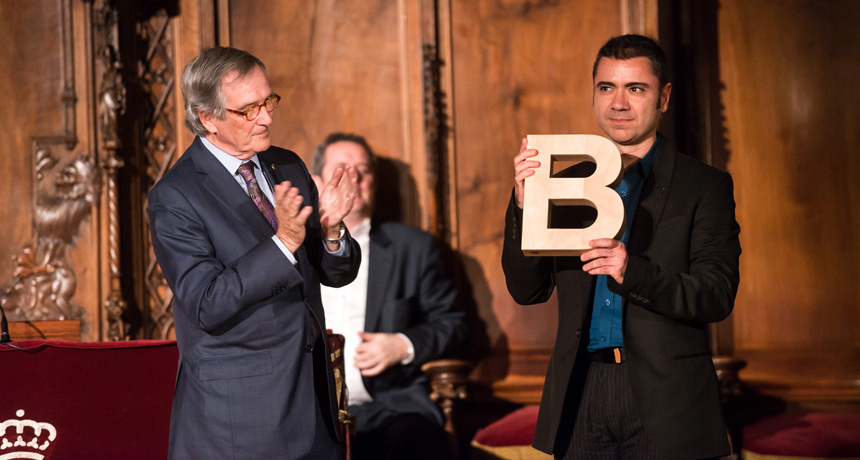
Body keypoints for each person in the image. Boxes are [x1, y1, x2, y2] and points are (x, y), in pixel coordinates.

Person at [502, 34, 741, 459]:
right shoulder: (564, 182)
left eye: (636, 88)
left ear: (663, 98)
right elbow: (527, 290)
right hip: (580, 391)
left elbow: (716, 294)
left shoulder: (704, 186)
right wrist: (523, 203)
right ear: (593, 94)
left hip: (666, 397)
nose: (618, 103)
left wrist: (632, 271)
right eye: (606, 87)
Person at [148, 47, 361, 460]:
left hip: (314, 408)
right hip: (239, 424)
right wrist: (283, 241)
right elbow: (207, 303)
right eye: (249, 109)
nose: (266, 117)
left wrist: (332, 229)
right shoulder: (176, 196)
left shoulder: (288, 165)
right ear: (207, 117)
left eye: (269, 101)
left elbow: (332, 272)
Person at [311, 132, 467, 460]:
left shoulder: (413, 248)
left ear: (375, 183)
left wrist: (403, 345)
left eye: (363, 170)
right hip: (309, 411)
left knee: (419, 443)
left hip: (390, 408)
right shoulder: (294, 248)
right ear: (318, 181)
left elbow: (453, 324)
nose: (354, 179)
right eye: (342, 170)